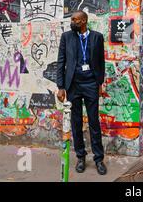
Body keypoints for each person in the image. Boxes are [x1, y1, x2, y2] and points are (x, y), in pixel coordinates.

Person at [56, 10, 107, 175]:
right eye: (72, 19)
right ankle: (80, 157)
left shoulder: (97, 37)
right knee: (76, 123)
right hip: (73, 85)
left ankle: (99, 159)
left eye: (75, 20)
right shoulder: (67, 37)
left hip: (91, 83)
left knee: (94, 122)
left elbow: (101, 62)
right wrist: (60, 86)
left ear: (84, 21)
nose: (72, 22)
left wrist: (99, 83)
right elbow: (61, 61)